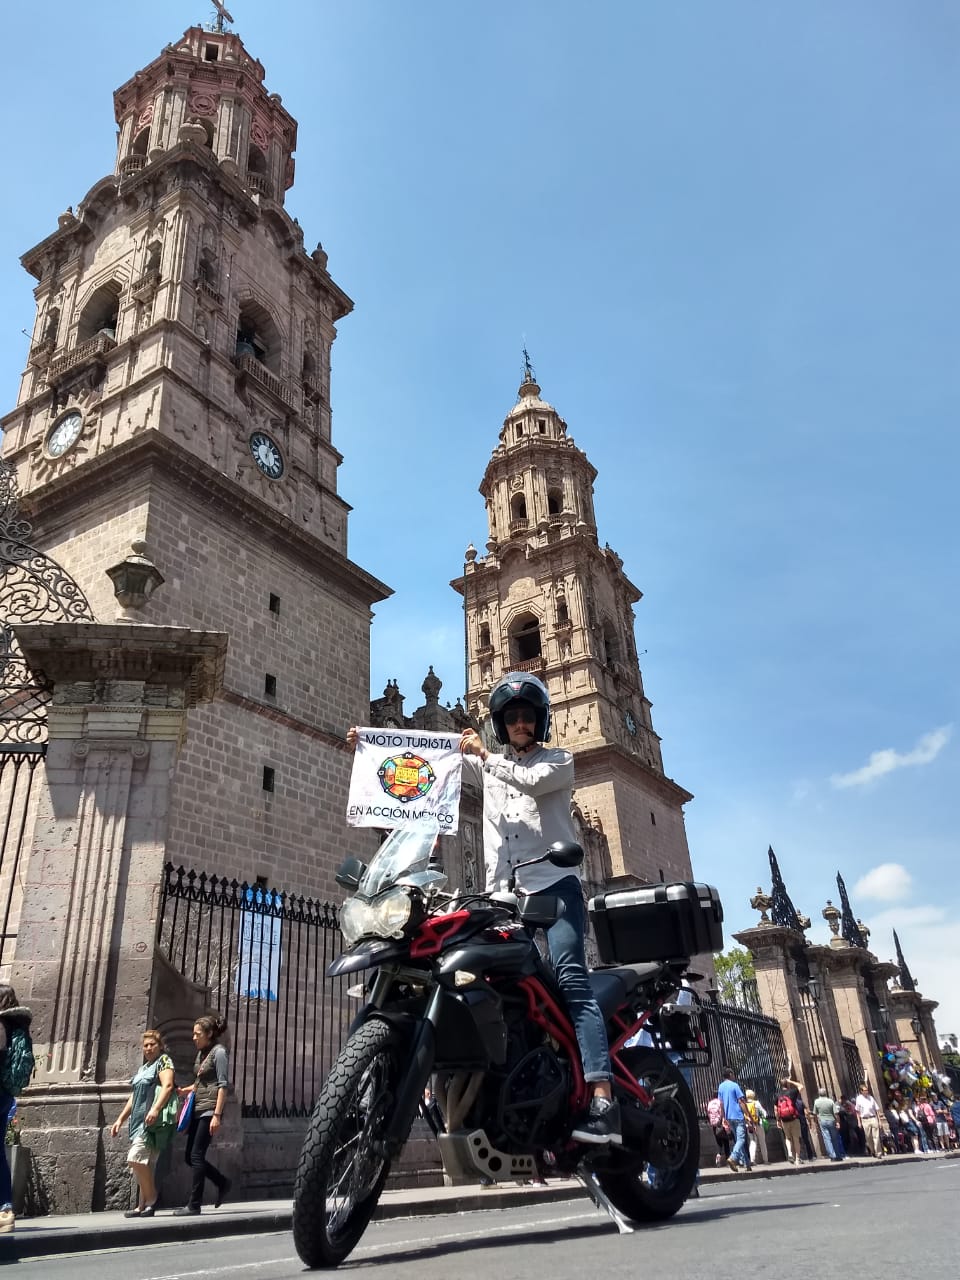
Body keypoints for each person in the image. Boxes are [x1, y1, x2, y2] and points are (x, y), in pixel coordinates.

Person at [457, 672, 621, 1146]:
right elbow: (437, 765)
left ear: (540, 720)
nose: (521, 724)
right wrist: (372, 745)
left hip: (556, 886)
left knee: (570, 976)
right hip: (505, 895)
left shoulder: (559, 761)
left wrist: (485, 757)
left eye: (528, 716)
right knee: (505, 987)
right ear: (502, 723)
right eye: (512, 718)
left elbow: (528, 784)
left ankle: (602, 1096)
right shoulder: (491, 764)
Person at [110, 1029, 176, 1216]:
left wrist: (155, 1108)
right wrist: (120, 1119)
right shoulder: (143, 1068)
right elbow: (135, 1096)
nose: (148, 1048)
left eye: (152, 1045)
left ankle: (152, 1198)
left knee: (135, 1158)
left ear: (159, 1046)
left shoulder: (164, 1061)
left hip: (151, 1121)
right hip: (139, 1121)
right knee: (143, 1165)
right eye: (145, 1045)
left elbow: (168, 1086)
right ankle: (142, 1206)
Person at [173, 1013, 232, 1215]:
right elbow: (200, 1083)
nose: (193, 1037)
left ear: (209, 1034)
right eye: (193, 1034)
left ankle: (194, 1204)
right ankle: (222, 1182)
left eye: (197, 1034)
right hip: (197, 1108)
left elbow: (223, 1085)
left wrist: (217, 1115)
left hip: (209, 1110)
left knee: (197, 1155)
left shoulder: (220, 1053)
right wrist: (185, 1090)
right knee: (190, 1157)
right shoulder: (202, 1054)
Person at [0, 984, 33, 1235]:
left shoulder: (1, 1026)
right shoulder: (18, 1027)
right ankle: (5, 1208)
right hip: (5, 1095)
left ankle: (4, 1208)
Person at [717, 1066, 752, 1172]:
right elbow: (741, 1101)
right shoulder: (734, 1085)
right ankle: (733, 1157)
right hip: (737, 1115)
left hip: (729, 1116)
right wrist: (748, 1115)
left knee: (738, 1140)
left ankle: (747, 1163)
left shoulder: (721, 1087)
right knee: (741, 1139)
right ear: (731, 1074)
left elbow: (721, 1103)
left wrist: (723, 1117)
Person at [774, 1078, 804, 1165]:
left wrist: (778, 1120)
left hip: (784, 1120)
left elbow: (776, 1109)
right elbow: (801, 1086)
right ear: (787, 1085)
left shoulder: (778, 1095)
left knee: (787, 1138)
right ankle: (797, 1159)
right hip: (794, 1118)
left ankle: (790, 1154)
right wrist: (790, 1081)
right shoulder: (792, 1092)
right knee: (796, 1139)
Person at [811, 1085, 844, 1161]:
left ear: (819, 1094)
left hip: (822, 1121)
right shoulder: (830, 1101)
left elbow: (815, 1113)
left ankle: (832, 1155)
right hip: (831, 1120)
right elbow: (836, 1113)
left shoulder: (816, 1102)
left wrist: (816, 1122)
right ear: (825, 1093)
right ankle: (838, 1155)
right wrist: (838, 1122)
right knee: (834, 1138)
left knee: (827, 1138)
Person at [854, 1083, 884, 1158]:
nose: (866, 1091)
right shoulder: (859, 1099)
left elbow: (877, 1110)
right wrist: (859, 1122)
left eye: (867, 1090)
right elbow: (857, 1111)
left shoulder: (871, 1098)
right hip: (865, 1120)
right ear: (861, 1091)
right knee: (868, 1137)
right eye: (865, 1090)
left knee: (876, 1136)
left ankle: (878, 1152)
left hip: (873, 1118)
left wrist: (880, 1121)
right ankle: (873, 1151)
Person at [707, 1092, 732, 1165]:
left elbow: (708, 1114)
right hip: (721, 1125)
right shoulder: (720, 1102)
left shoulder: (710, 1103)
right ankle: (728, 1160)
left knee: (719, 1143)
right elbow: (722, 1113)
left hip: (714, 1125)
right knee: (726, 1142)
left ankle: (718, 1156)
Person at [745, 1089, 769, 1165]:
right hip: (758, 1124)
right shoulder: (756, 1103)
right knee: (762, 1142)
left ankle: (752, 1159)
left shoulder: (745, 1104)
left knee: (752, 1141)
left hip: (749, 1125)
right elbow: (764, 1113)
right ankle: (765, 1160)